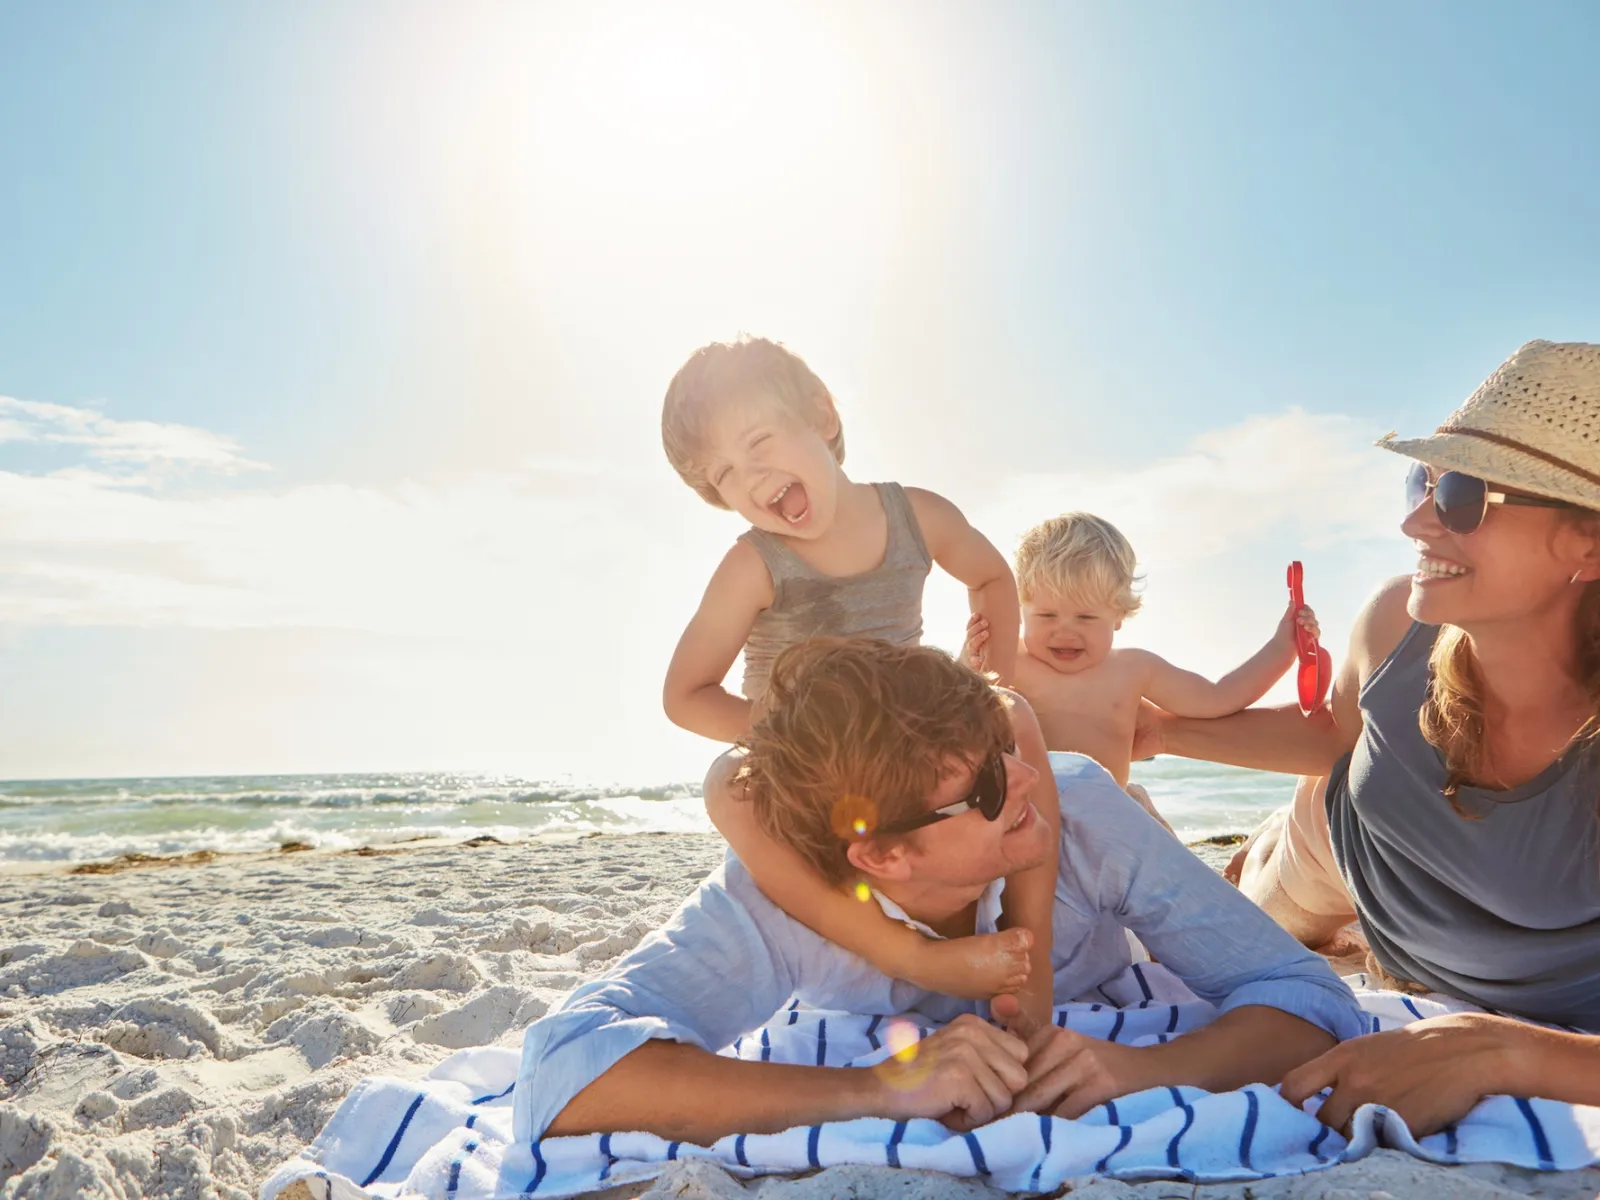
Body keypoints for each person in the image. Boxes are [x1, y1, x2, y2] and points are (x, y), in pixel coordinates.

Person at [514, 638, 1366, 1145]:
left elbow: (1308, 996)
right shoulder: (775, 900)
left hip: (1130, 932)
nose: (1025, 777)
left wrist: (1146, 1069)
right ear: (882, 856)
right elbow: (563, 1068)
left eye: (1004, 746)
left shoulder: (1081, 809)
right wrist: (874, 1090)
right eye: (987, 789)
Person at [1135, 340, 1600, 1136]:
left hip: (1467, 962)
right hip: (1340, 848)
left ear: (1588, 544)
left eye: (1461, 495)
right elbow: (1333, 736)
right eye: (1421, 481)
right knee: (1200, 968)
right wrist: (1162, 731)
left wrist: (1499, 1050)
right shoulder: (1394, 623)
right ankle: (1263, 852)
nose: (1413, 519)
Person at [659, 335, 1052, 1021]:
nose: (750, 477)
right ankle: (907, 953)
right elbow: (684, 695)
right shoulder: (753, 565)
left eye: (759, 443)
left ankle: (1031, 954)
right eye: (724, 474)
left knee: (1014, 709)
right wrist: (789, 736)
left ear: (823, 416)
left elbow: (991, 575)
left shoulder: (914, 515)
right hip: (816, 757)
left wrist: (984, 681)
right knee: (727, 784)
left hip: (914, 737)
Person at [964, 511, 1317, 828]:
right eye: (1046, 616)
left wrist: (1282, 649)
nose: (1065, 630)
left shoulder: (1133, 668)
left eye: (1086, 617)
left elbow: (1217, 697)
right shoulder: (1012, 660)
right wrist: (970, 659)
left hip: (1109, 820)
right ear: (1022, 609)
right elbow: (950, 708)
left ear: (1119, 616)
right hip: (1025, 819)